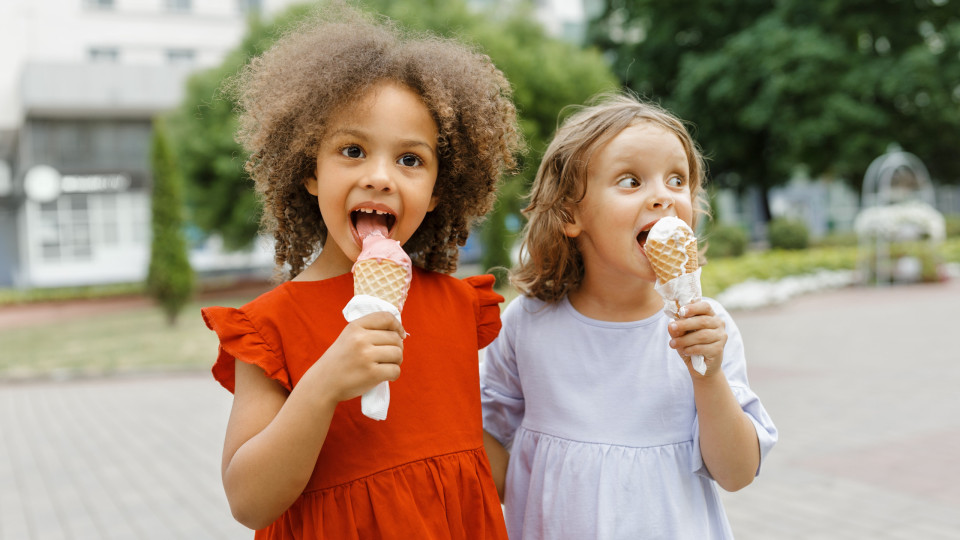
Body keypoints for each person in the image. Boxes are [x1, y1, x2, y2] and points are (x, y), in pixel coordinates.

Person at [201, 5, 522, 539]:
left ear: (440, 189)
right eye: (353, 151)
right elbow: (249, 502)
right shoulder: (267, 328)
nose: (379, 177)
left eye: (411, 160)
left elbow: (474, 464)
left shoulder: (460, 308)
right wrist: (324, 384)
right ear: (309, 171)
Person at [479, 92, 777, 539]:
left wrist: (707, 376)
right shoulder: (526, 325)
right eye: (631, 181)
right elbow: (490, 463)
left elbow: (736, 473)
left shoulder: (708, 328)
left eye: (677, 180)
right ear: (569, 213)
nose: (662, 197)